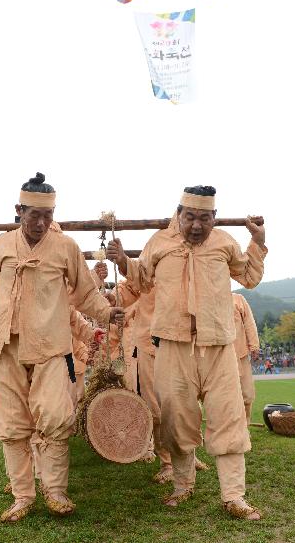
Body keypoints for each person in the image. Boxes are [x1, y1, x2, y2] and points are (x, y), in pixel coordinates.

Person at [0, 173, 123, 522]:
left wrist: (108, 313)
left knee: (56, 417)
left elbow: (84, 294)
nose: (41, 222)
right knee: (11, 423)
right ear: (19, 210)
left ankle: (56, 491)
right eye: (34, 214)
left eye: (48, 215)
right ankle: (22, 495)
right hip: (4, 346)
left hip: (51, 347)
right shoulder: (2, 245)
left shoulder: (66, 248)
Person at [107, 185, 266, 520]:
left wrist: (258, 241)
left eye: (204, 219)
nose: (196, 225)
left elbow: (249, 276)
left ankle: (233, 496)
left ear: (214, 218)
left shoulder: (225, 242)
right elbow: (140, 279)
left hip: (218, 346)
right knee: (176, 418)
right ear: (178, 215)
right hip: (172, 346)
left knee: (229, 417)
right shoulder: (159, 244)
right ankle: (182, 485)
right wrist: (123, 260)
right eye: (190, 217)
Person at [232, 293, 259, 425]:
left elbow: (249, 322)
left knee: (247, 394)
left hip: (240, 354)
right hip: (216, 358)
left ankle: (244, 426)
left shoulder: (238, 299)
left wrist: (254, 345)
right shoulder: (204, 298)